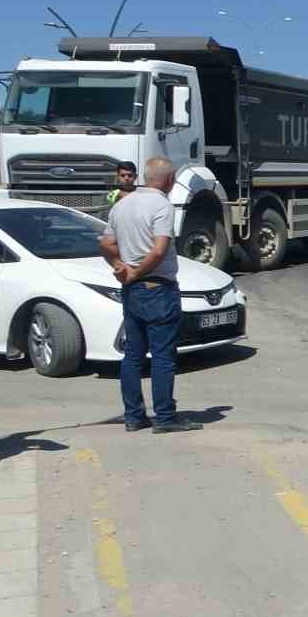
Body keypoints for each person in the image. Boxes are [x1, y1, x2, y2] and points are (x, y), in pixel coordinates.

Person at [98, 157, 200, 433]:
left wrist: (120, 266)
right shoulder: (162, 206)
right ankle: (165, 418)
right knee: (163, 356)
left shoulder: (121, 205)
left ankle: (134, 416)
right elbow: (158, 250)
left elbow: (106, 243)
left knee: (132, 355)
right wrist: (137, 272)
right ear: (168, 180)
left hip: (132, 291)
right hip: (156, 288)